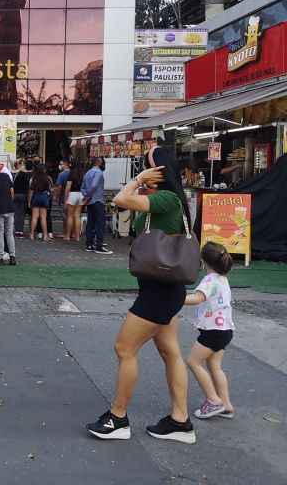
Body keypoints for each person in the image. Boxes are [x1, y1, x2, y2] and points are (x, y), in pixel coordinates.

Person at [86, 144, 196, 444]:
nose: (141, 171)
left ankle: (118, 418)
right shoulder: (164, 199)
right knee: (170, 351)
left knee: (125, 348)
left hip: (159, 292)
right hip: (163, 289)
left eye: (146, 165)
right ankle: (180, 421)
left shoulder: (167, 199)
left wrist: (137, 181)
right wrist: (143, 185)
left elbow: (121, 199)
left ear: (159, 171)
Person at [184, 242, 236, 420]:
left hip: (212, 331)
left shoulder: (209, 280)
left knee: (193, 362)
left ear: (203, 261)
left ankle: (213, 400)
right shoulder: (223, 279)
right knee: (215, 366)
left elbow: (198, 298)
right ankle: (226, 405)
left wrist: (176, 299)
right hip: (225, 330)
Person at [81, 157, 112, 254]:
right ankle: (99, 245)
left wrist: (86, 196)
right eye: (103, 162)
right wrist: (89, 196)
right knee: (100, 223)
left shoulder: (87, 173)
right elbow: (94, 186)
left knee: (90, 222)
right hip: (98, 200)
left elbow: (82, 187)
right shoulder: (98, 172)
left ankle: (89, 244)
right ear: (99, 162)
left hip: (90, 202)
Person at [28, 165, 52, 242]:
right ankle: (45, 236)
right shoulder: (47, 178)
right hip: (44, 197)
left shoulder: (34, 178)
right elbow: (50, 190)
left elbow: (31, 191)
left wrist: (29, 201)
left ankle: (31, 234)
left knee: (35, 217)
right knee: (43, 218)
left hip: (36, 197)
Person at [63, 164, 84, 242]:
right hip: (81, 194)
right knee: (77, 216)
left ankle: (68, 236)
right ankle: (77, 236)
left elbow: (68, 187)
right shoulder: (83, 174)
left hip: (72, 194)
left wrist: (66, 199)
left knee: (70, 216)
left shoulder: (71, 173)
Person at [12, 160, 32, 237]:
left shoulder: (17, 174)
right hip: (23, 195)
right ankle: (21, 231)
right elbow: (29, 187)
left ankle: (17, 230)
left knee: (17, 214)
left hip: (16, 195)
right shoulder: (26, 175)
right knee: (22, 214)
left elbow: (13, 186)